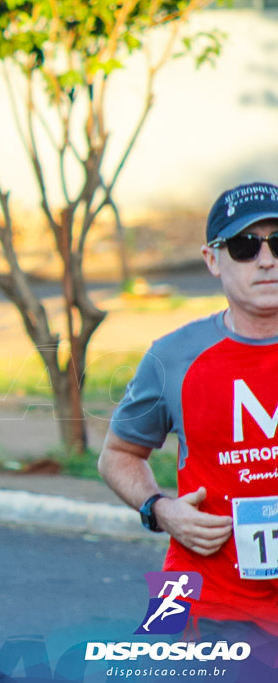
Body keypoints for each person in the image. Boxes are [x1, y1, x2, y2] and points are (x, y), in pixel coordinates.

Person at [99, 182, 278, 651]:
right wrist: (160, 510)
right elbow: (118, 454)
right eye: (244, 246)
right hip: (203, 597)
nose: (266, 259)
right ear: (212, 259)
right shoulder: (174, 356)